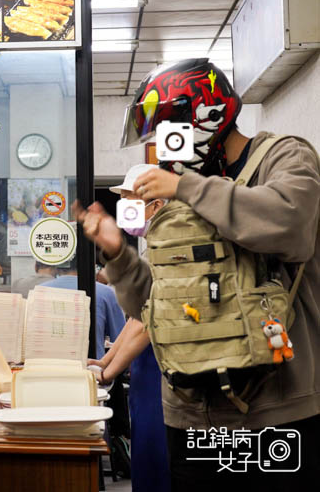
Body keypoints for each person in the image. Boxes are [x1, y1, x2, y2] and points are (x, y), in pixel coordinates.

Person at [75, 58, 320, 488]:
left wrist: (185, 187)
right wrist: (118, 255)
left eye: (166, 133)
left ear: (202, 121)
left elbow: (290, 223)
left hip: (276, 414)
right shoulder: (184, 191)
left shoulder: (284, 157)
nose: (163, 150)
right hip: (190, 416)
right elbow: (157, 307)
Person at [89, 164, 171, 492]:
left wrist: (108, 373)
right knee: (146, 456)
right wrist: (105, 362)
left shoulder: (170, 249)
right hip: (144, 373)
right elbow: (136, 316)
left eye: (131, 199)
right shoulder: (153, 247)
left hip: (162, 375)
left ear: (157, 205)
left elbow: (148, 324)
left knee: (158, 458)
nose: (124, 207)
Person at [38, 260, 125, 360]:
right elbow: (120, 341)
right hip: (92, 369)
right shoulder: (105, 293)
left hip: (45, 368)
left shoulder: (40, 290)